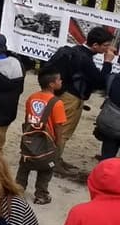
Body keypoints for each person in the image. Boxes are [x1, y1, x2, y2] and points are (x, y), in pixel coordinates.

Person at [44, 25, 116, 174]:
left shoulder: (76, 51)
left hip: (66, 95)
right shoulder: (85, 59)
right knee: (63, 132)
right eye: (106, 45)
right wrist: (107, 62)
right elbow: (100, 82)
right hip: (72, 98)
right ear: (95, 45)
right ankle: (54, 163)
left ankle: (57, 159)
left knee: (61, 129)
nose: (108, 48)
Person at [13, 68, 68, 205]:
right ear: (52, 84)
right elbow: (59, 126)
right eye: (59, 79)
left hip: (30, 138)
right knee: (46, 169)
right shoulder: (57, 103)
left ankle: (17, 191)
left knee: (24, 166)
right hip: (47, 141)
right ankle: (41, 195)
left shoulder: (32, 97)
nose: (61, 81)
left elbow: (27, 118)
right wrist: (59, 143)